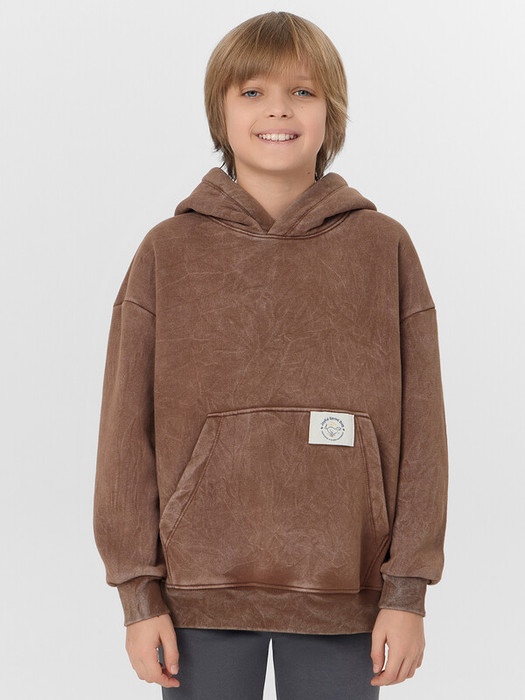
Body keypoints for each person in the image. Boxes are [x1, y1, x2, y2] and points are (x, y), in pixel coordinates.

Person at [93, 10, 449, 699]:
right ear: (220, 113)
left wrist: (407, 593)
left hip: (345, 595)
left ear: (330, 112)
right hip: (197, 597)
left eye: (302, 92)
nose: (278, 110)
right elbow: (124, 433)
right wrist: (138, 596)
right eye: (252, 92)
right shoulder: (168, 251)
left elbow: (423, 433)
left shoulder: (383, 249)